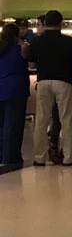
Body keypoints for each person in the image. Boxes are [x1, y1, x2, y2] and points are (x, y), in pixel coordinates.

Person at [25, 10, 72, 168]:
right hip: (64, 82)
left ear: (45, 23)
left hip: (43, 81)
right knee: (67, 120)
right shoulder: (68, 41)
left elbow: (31, 64)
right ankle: (69, 157)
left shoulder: (37, 41)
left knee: (41, 120)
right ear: (61, 23)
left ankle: (39, 158)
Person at [0, 23, 30, 174]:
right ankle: (11, 158)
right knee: (13, 126)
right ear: (16, 36)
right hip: (16, 91)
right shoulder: (21, 49)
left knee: (2, 126)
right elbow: (31, 62)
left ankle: (2, 156)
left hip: (1, 88)